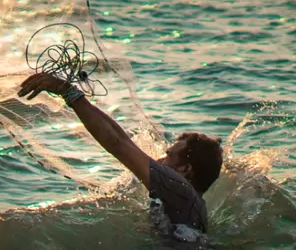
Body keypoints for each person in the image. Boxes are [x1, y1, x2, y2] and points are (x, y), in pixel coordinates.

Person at [18, 70, 223, 238]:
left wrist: (67, 92)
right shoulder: (189, 203)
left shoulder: (179, 188)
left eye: (169, 156)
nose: (160, 160)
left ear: (185, 170)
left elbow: (118, 144)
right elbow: (122, 141)